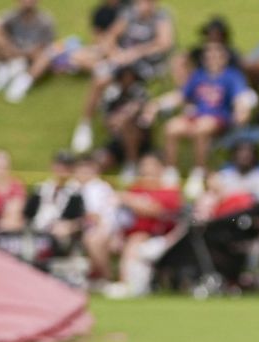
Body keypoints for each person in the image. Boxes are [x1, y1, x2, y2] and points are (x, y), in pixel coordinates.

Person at [71, 0, 175, 154]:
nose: (143, 5)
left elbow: (164, 43)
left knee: (127, 78)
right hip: (124, 60)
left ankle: (127, 109)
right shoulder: (128, 14)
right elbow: (111, 36)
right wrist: (116, 54)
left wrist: (136, 52)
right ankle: (85, 125)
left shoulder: (161, 17)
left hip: (148, 65)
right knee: (100, 79)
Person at [155, 41, 250, 197]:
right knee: (171, 127)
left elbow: (241, 97)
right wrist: (157, 104)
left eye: (216, 55)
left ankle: (199, 172)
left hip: (219, 119)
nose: (212, 59)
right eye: (209, 56)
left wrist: (242, 111)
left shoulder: (232, 76)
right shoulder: (198, 76)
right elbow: (181, 96)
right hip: (195, 117)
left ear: (224, 57)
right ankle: (170, 171)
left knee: (201, 128)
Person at [107, 153, 182, 298]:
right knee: (99, 238)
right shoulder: (135, 189)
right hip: (129, 234)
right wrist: (116, 235)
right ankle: (104, 279)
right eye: (144, 166)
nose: (147, 170)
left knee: (137, 239)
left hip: (162, 238)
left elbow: (156, 210)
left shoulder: (169, 191)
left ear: (161, 169)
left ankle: (126, 283)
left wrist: (128, 199)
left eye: (151, 165)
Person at [0, 0, 56, 103]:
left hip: (32, 55)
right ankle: (3, 71)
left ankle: (22, 82)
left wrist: (28, 52)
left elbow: (47, 45)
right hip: (12, 52)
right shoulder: (11, 15)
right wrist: (12, 50)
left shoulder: (46, 20)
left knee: (48, 54)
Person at [77, 151, 122, 283]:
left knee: (93, 240)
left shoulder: (97, 187)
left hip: (104, 227)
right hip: (89, 226)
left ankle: (107, 278)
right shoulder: (74, 186)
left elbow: (96, 215)